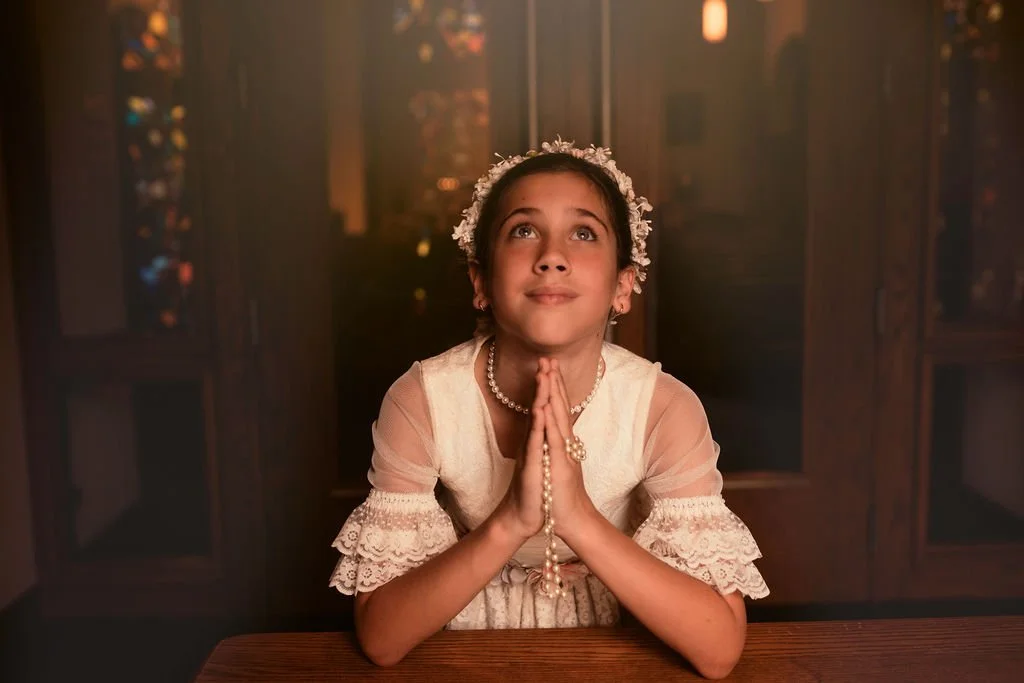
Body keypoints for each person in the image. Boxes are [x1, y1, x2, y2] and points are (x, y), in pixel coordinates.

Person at [329, 139, 768, 678]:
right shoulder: (422, 398)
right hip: (464, 652)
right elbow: (381, 638)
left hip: (620, 651)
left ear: (623, 286)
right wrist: (512, 520)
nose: (552, 256)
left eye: (583, 233)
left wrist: (578, 516)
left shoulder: (662, 408)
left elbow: (719, 649)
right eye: (523, 230)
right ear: (481, 282)